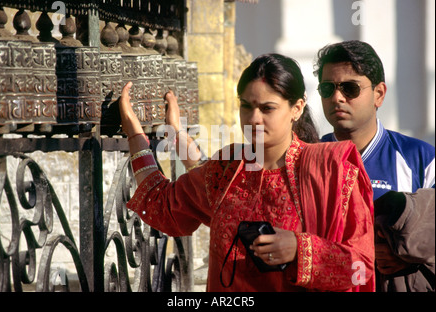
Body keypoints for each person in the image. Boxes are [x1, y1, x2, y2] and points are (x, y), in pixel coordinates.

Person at [119, 53, 375, 292]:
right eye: (246, 106)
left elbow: (360, 269)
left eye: (267, 108)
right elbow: (161, 203)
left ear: (296, 108)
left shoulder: (330, 170)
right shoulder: (227, 169)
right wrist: (135, 134)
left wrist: (300, 249)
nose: (253, 118)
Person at [315, 40, 435, 292]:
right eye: (327, 88)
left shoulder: (421, 159)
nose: (337, 97)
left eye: (350, 88)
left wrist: (409, 256)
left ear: (379, 94)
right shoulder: (305, 160)